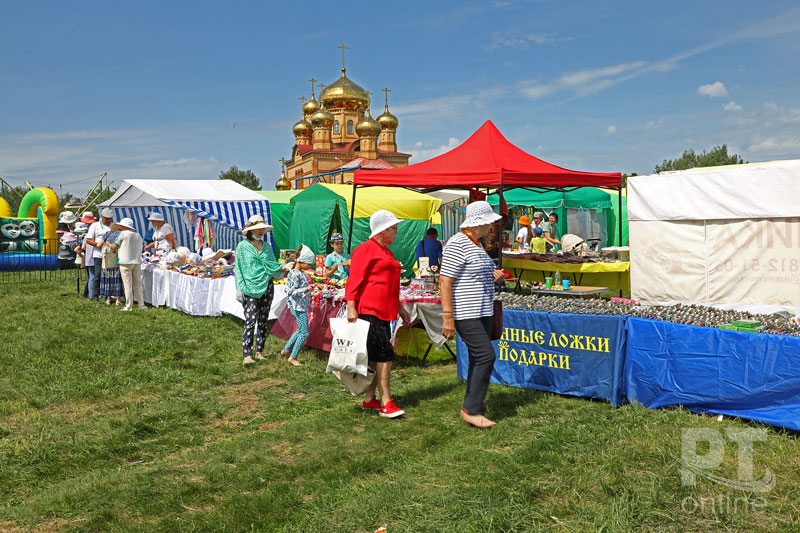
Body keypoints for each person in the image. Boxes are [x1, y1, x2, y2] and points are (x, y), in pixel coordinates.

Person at [440, 201, 506, 428]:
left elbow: (475, 276)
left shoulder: (476, 245)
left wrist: (496, 277)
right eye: (489, 222)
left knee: (479, 358)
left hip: (483, 310)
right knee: (486, 356)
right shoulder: (457, 243)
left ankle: (471, 405)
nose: (492, 226)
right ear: (478, 223)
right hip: (466, 312)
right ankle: (472, 409)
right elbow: (445, 280)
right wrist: (447, 316)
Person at [346, 209, 412, 419]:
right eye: (394, 228)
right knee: (384, 355)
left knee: (376, 356)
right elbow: (354, 280)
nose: (397, 232)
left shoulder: (386, 253)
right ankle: (385, 402)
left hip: (385, 312)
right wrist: (351, 306)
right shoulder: (365, 250)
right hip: (370, 311)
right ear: (383, 230)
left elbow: (390, 285)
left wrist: (400, 307)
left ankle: (369, 399)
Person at [235, 214, 288, 366]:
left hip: (267, 286)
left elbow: (272, 266)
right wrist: (239, 288)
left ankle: (259, 351)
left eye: (262, 229)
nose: (261, 231)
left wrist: (284, 267)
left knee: (263, 320)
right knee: (250, 320)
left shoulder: (266, 247)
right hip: (249, 288)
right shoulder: (242, 247)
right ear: (250, 230)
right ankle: (247, 355)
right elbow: (238, 269)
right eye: (258, 229)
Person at [280, 244, 316, 367]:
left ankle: (286, 350)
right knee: (304, 333)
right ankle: (293, 357)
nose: (310, 267)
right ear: (302, 261)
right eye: (309, 264)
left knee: (300, 330)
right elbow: (291, 291)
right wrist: (305, 289)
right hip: (298, 307)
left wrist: (308, 288)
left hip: (299, 306)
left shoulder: (299, 272)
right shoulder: (295, 274)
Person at [110, 218, 146, 312]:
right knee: (138, 284)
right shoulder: (138, 235)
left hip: (125, 262)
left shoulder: (123, 234)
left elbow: (114, 246)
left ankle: (129, 305)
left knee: (127, 285)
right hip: (136, 261)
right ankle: (141, 304)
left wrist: (109, 244)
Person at [83, 209, 112, 300]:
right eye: (106, 218)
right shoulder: (95, 226)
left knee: (108, 275)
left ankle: (107, 295)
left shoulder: (112, 227)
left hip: (109, 255)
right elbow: (88, 240)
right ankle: (95, 295)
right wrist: (98, 245)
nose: (108, 220)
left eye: (110, 218)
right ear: (102, 217)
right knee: (97, 274)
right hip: (98, 254)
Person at [98, 222, 123, 305]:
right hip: (118, 259)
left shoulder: (107, 234)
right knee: (118, 280)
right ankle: (118, 300)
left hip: (107, 261)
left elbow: (99, 245)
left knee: (107, 280)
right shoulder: (121, 234)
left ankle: (108, 299)